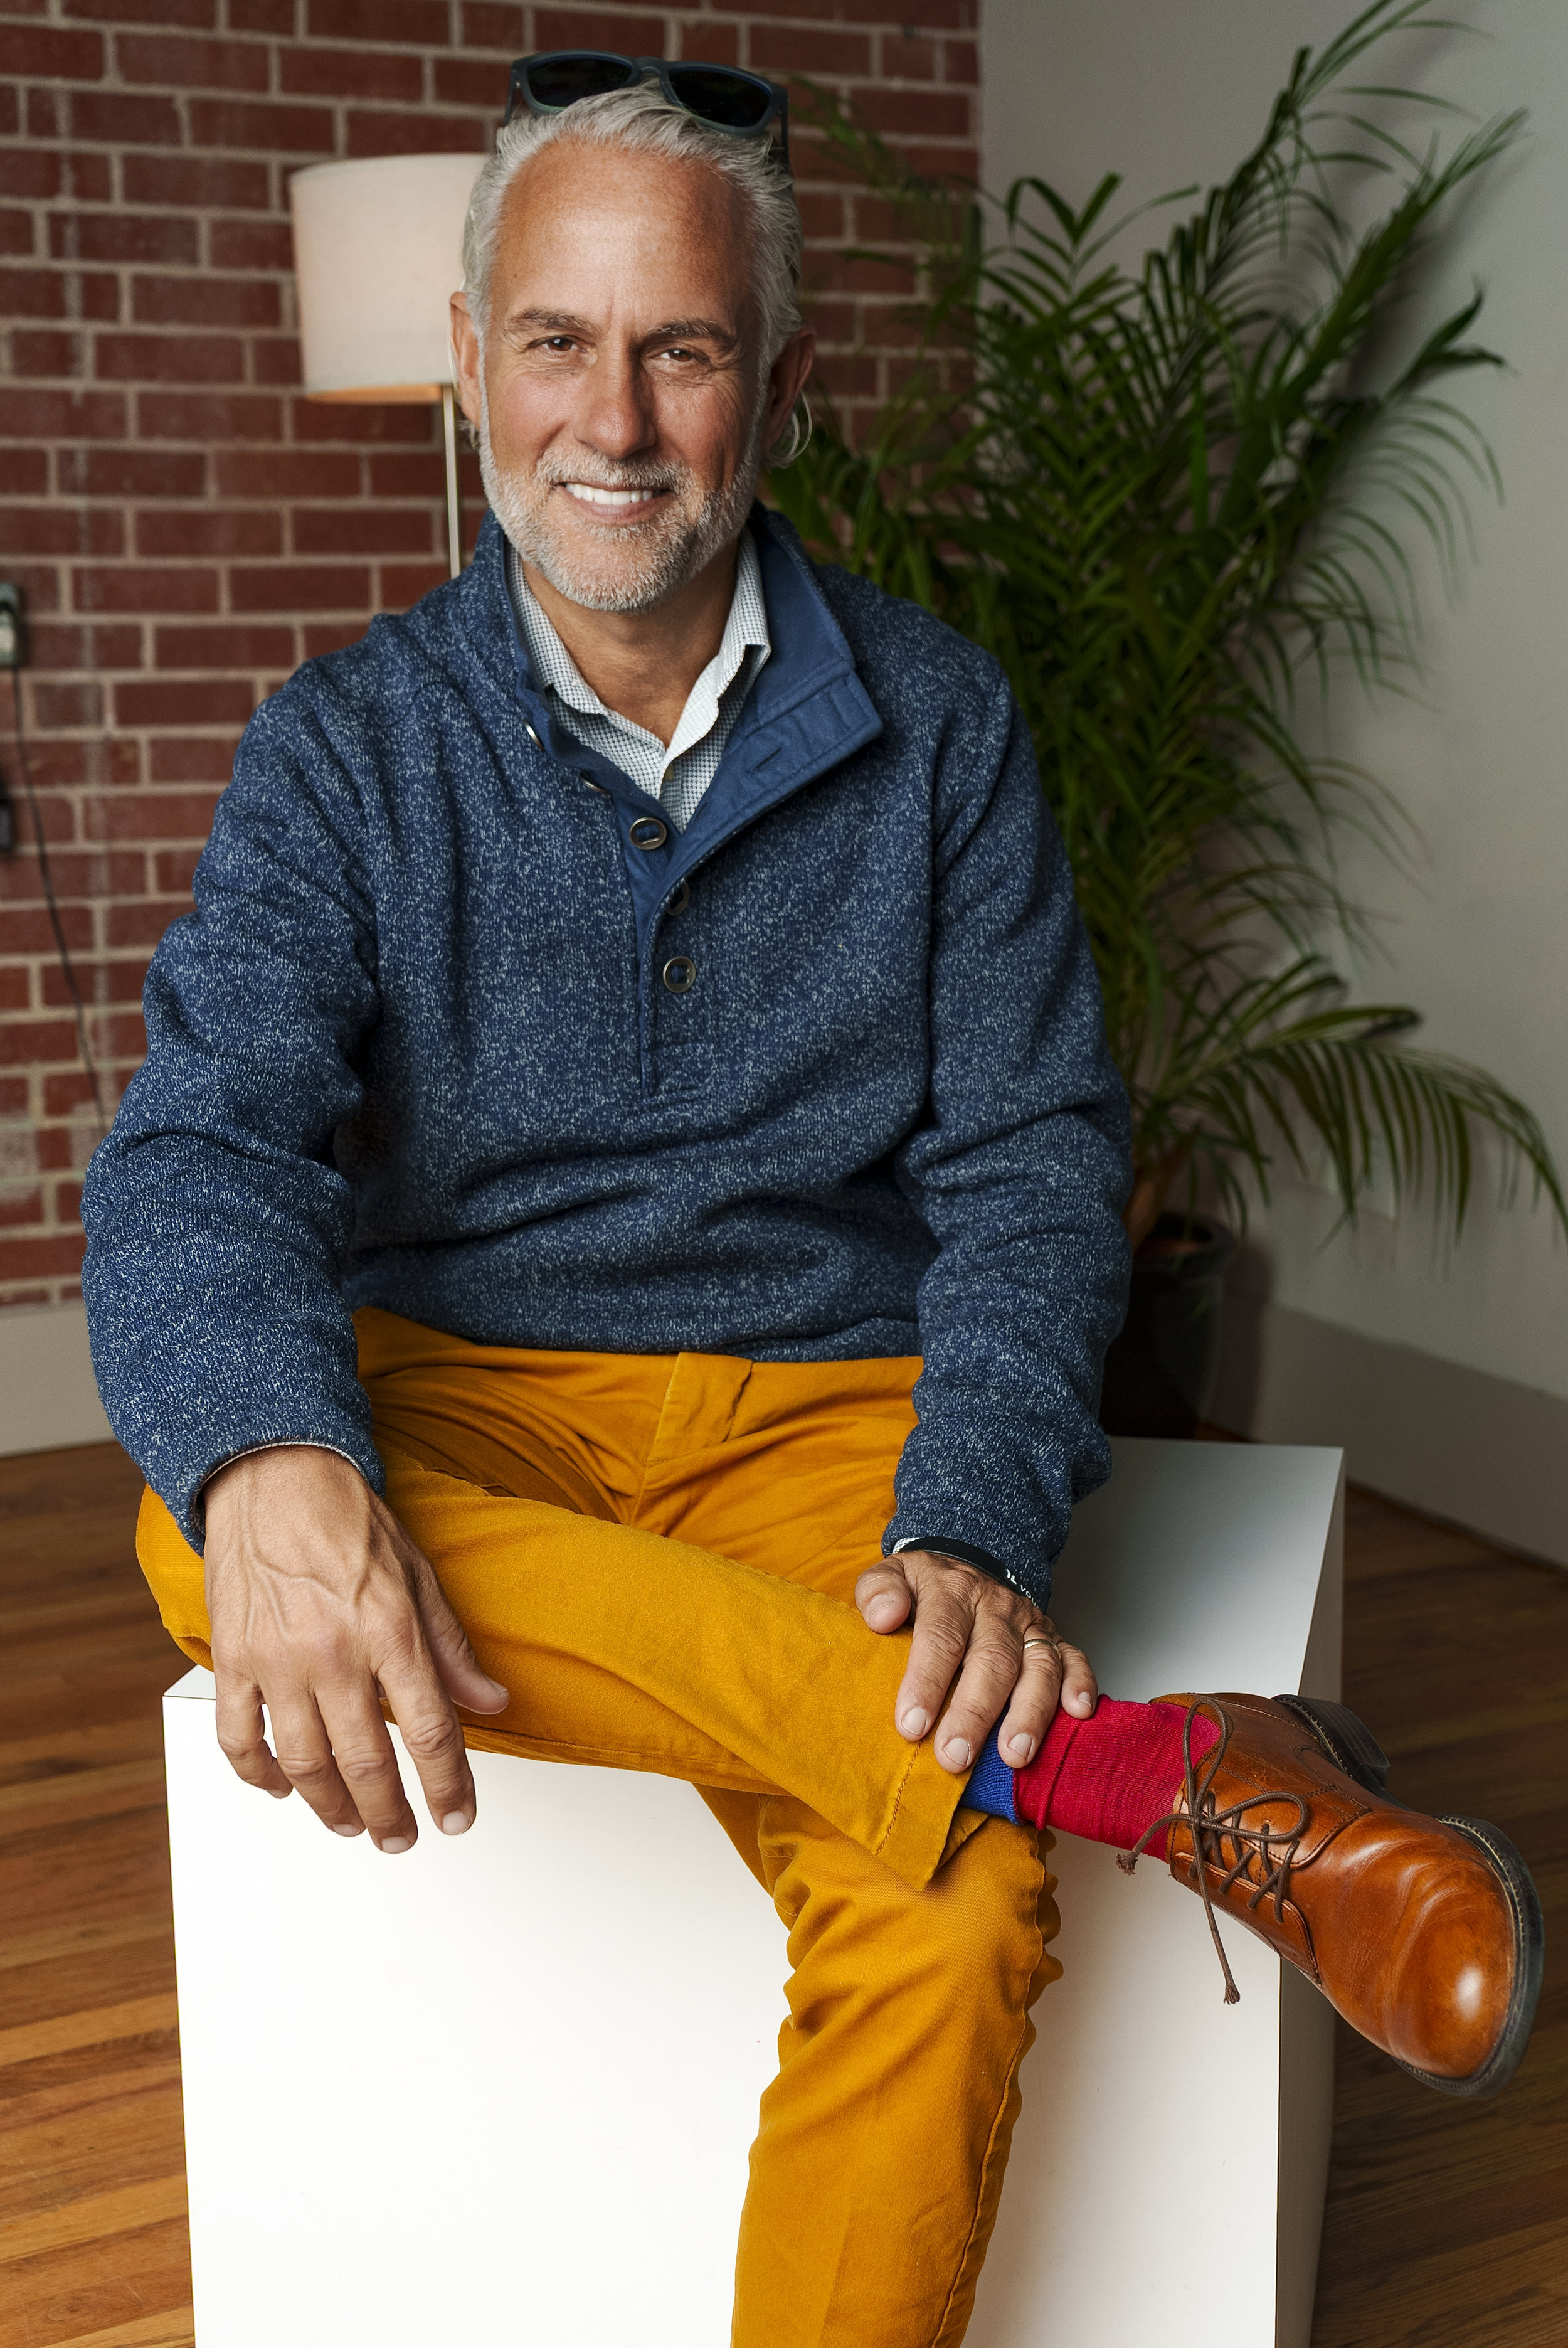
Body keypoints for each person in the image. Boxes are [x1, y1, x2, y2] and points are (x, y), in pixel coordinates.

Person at [82, 60, 1541, 2348]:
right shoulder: (340, 746)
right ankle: (1135, 1771)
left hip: (817, 1420)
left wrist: (963, 1520)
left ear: (779, 379)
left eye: (677, 348)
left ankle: (1030, 1757)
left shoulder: (943, 727)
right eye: (554, 341)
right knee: (211, 1519)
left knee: (950, 1918)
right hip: (475, 1400)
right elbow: (201, 1148)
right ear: (468, 356)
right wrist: (275, 1457)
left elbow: (1039, 1161)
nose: (615, 419)